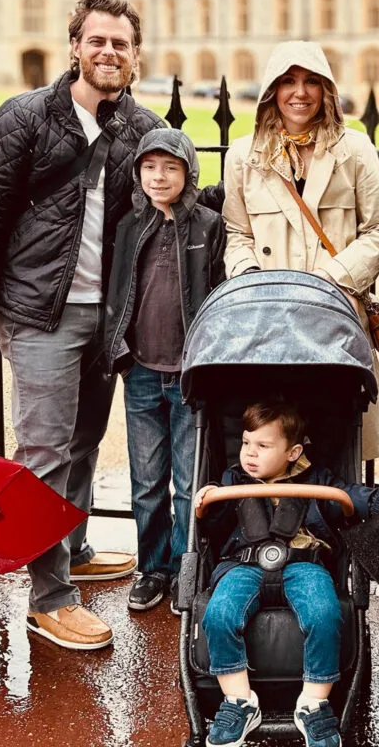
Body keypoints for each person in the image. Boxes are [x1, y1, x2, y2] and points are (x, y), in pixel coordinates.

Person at [0, 0, 165, 650]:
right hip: (37, 310)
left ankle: (71, 548)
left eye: (122, 44)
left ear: (136, 56)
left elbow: (178, 206)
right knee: (45, 453)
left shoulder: (141, 127)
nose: (110, 52)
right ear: (75, 46)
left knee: (81, 445)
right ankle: (48, 596)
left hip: (106, 319)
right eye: (98, 41)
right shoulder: (25, 118)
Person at [222, 40, 379, 461]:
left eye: (311, 81)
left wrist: (330, 279)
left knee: (334, 434)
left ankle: (335, 523)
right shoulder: (244, 154)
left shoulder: (353, 150)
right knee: (272, 441)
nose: (300, 92)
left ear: (326, 90)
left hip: (333, 319)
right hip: (268, 320)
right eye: (288, 82)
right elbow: (236, 231)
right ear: (272, 91)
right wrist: (251, 280)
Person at [197, 401, 379, 747]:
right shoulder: (233, 480)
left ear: (292, 453)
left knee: (324, 613)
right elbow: (214, 529)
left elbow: (349, 496)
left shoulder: (318, 479)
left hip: (304, 563)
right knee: (218, 615)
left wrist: (378, 501)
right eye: (246, 443)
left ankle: (314, 703)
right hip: (243, 563)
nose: (250, 453)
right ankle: (239, 702)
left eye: (263, 446)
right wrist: (207, 502)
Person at [104, 128, 226, 613]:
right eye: (150, 167)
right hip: (140, 372)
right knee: (147, 481)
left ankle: (185, 568)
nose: (159, 176)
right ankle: (152, 568)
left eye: (171, 167)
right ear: (138, 173)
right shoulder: (129, 225)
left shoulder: (207, 226)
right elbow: (118, 293)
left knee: (188, 484)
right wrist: (120, 351)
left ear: (188, 173)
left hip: (187, 375)